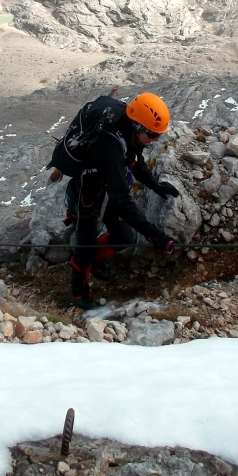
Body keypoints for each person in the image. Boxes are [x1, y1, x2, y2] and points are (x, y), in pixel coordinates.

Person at [64, 92, 179, 311]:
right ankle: (79, 292)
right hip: (86, 194)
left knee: (123, 236)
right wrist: (155, 235)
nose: (156, 140)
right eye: (153, 135)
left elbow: (136, 162)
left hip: (107, 189)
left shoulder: (129, 134)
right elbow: (123, 201)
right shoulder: (111, 147)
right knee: (84, 247)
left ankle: (96, 261)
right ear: (138, 126)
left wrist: (155, 185)